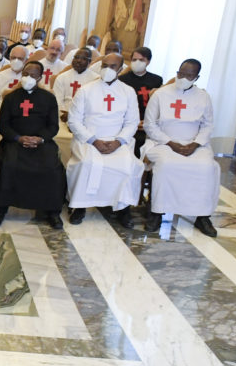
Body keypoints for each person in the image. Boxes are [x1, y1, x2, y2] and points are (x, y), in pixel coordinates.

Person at [65, 53, 143, 227]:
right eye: (105, 65)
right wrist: (93, 140)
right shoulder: (86, 90)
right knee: (86, 163)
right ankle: (79, 206)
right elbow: (74, 121)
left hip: (117, 140)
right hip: (89, 138)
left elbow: (132, 122)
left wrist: (118, 141)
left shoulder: (128, 92)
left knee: (128, 166)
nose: (107, 69)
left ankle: (123, 208)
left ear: (121, 69)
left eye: (113, 66)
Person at [143, 58, 219, 237]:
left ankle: (202, 215)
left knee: (206, 167)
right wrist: (170, 143)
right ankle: (157, 212)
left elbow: (208, 125)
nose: (183, 78)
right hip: (163, 142)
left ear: (197, 77)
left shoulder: (203, 97)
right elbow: (149, 124)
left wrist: (195, 144)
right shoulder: (161, 94)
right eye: (180, 73)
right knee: (167, 165)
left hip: (194, 144)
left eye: (188, 75)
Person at [0, 60, 65, 229]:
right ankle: (0, 209)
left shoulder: (49, 98)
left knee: (52, 168)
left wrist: (40, 138)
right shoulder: (10, 97)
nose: (27, 78)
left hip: (41, 142)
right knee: (10, 165)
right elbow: (4, 125)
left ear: (40, 78)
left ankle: (52, 211)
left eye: (32, 75)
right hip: (14, 141)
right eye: (25, 74)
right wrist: (19, 138)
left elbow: (53, 126)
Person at [51, 48, 99, 164]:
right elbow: (57, 102)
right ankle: (59, 167)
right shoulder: (62, 77)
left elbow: (95, 104)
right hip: (63, 117)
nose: (78, 61)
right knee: (57, 137)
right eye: (76, 57)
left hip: (85, 120)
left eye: (83, 59)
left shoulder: (96, 79)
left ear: (89, 62)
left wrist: (75, 117)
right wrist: (65, 115)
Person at [118, 46, 163, 156]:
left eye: (141, 60)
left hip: (147, 120)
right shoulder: (122, 80)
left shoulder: (156, 80)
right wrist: (133, 122)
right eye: (134, 59)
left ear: (148, 62)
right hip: (127, 120)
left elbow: (159, 106)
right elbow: (119, 105)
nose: (137, 62)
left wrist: (148, 122)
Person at [0, 45, 29, 120]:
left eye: (20, 58)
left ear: (26, 60)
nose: (16, 61)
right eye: (13, 58)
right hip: (0, 117)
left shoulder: (31, 79)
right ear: (9, 58)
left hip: (24, 118)